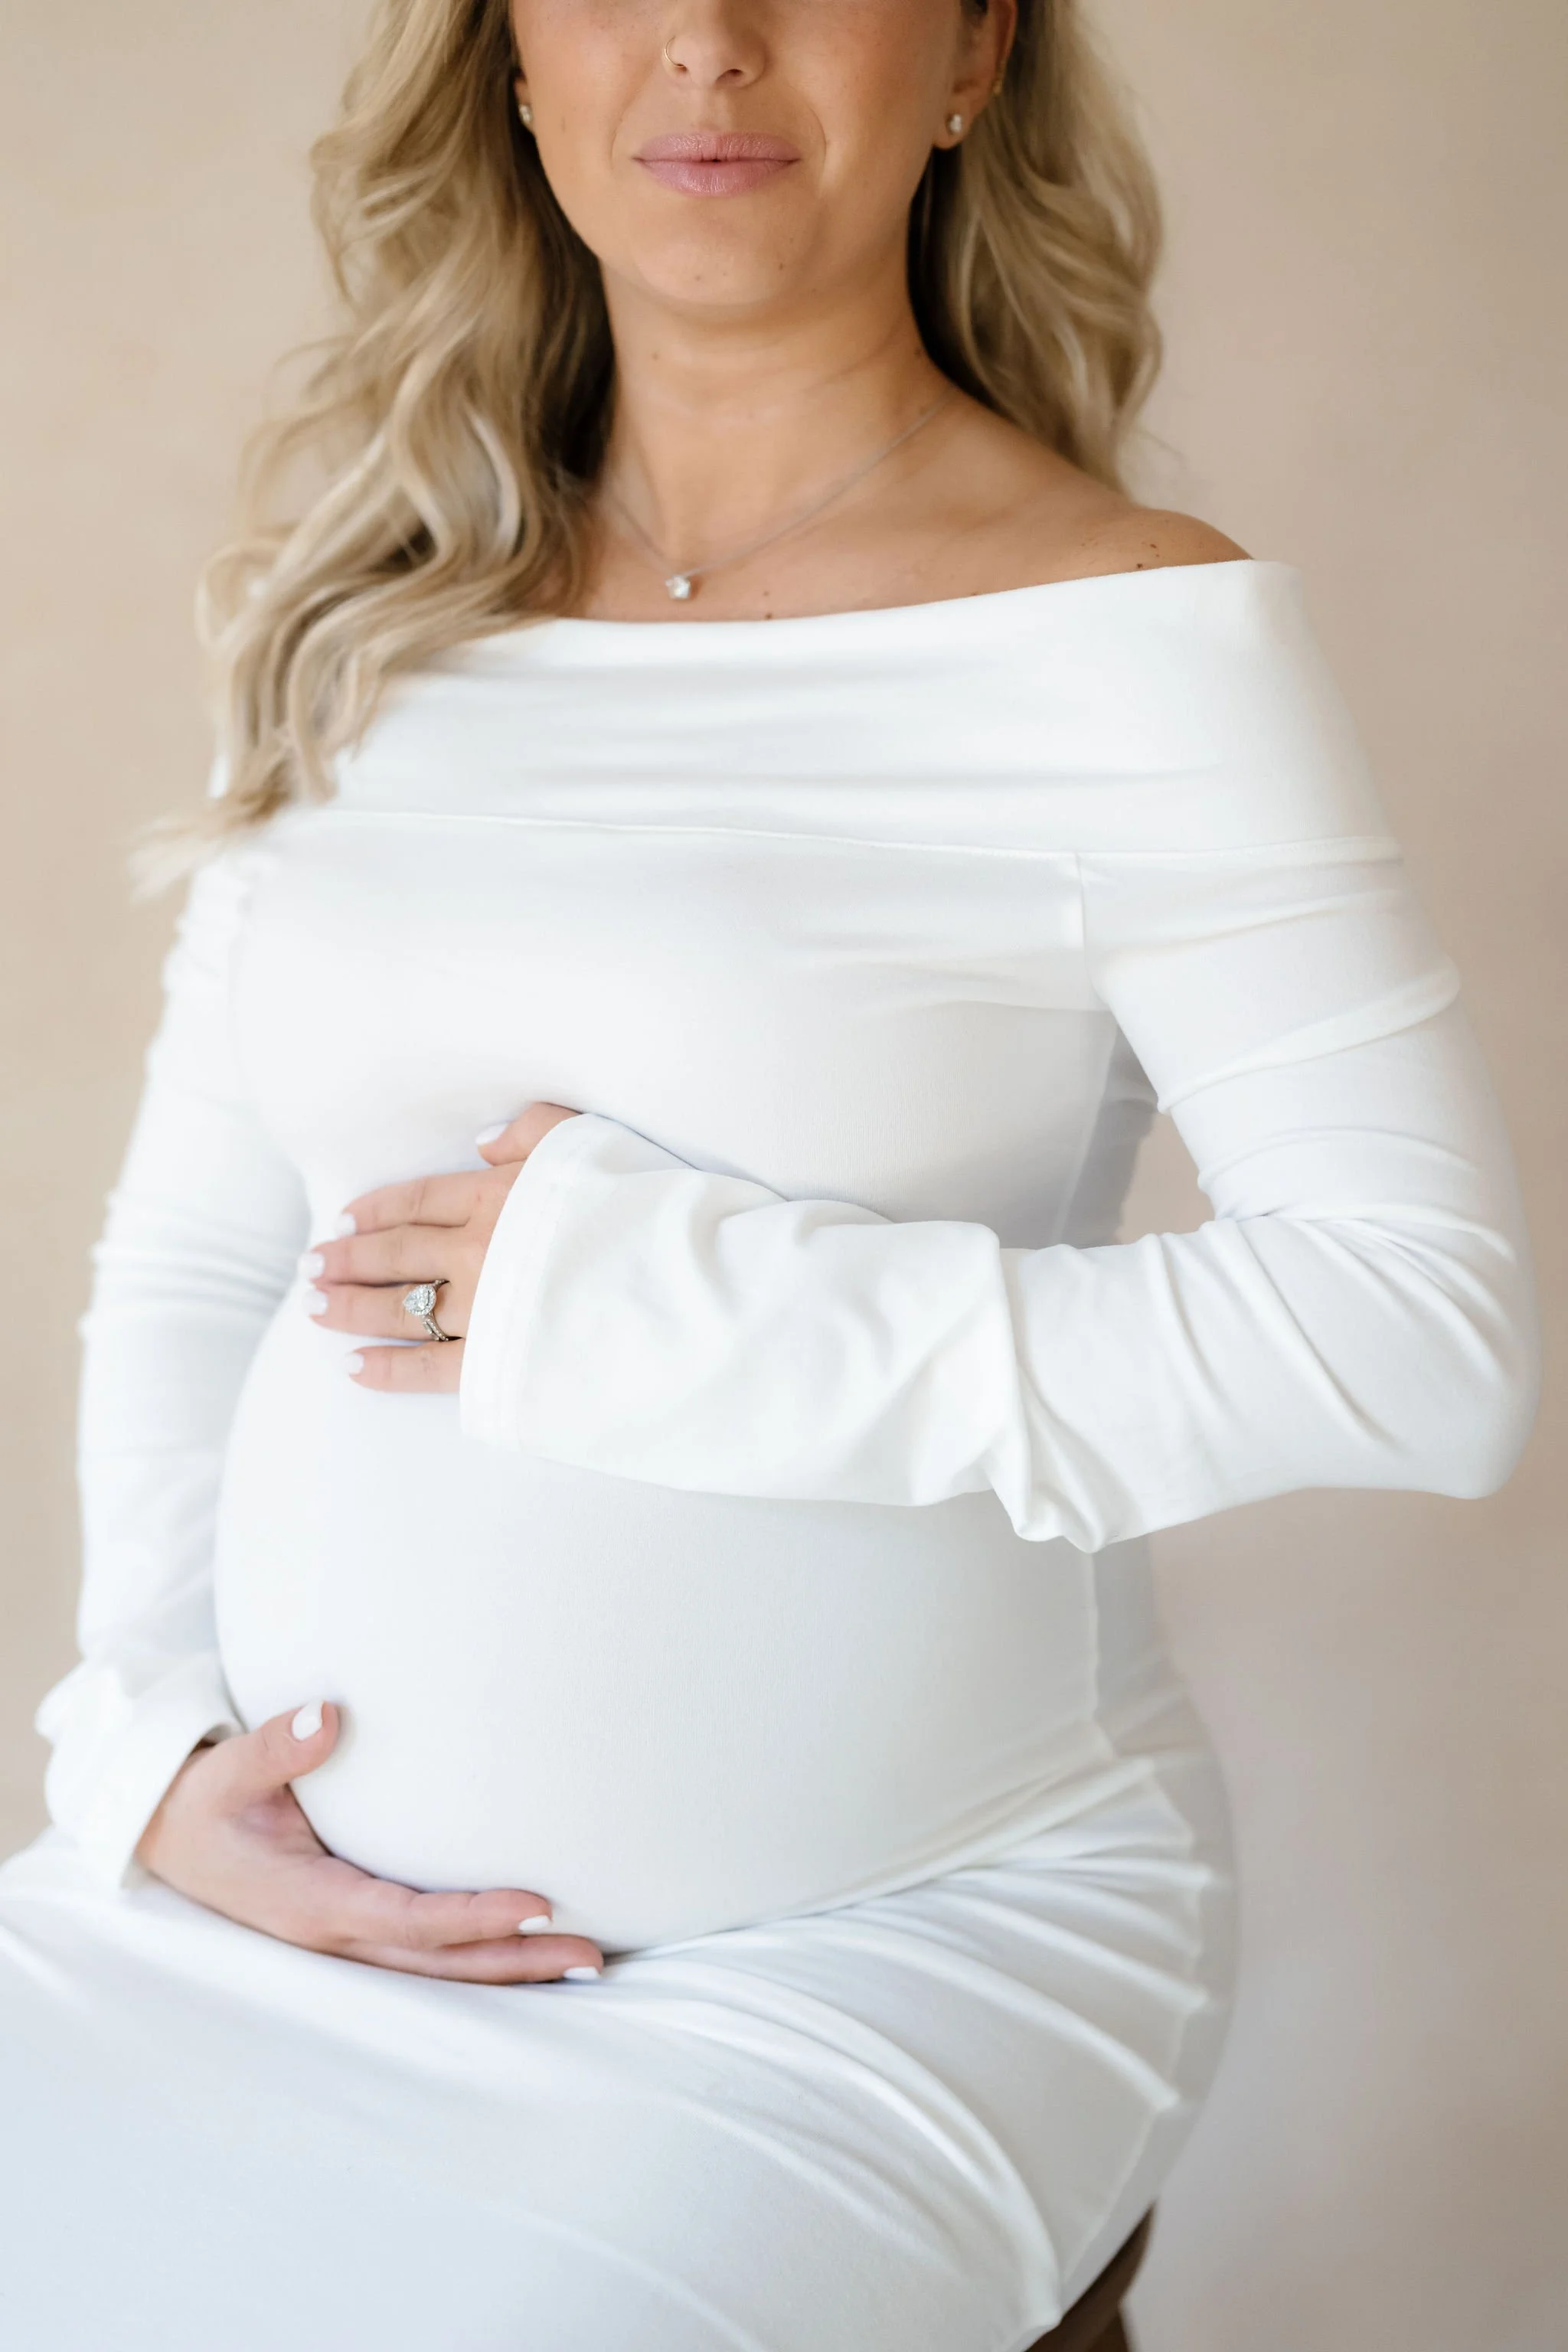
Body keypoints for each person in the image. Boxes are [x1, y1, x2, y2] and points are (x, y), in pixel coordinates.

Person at [0, 2, 1539, 2347]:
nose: (707, 44)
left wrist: (648, 1311)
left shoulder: (1122, 637)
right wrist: (146, 1747)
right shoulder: (368, 610)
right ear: (514, 62)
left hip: (871, 1951)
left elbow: (1421, 1335)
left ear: (974, 51)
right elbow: (204, 1260)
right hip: (235, 1937)